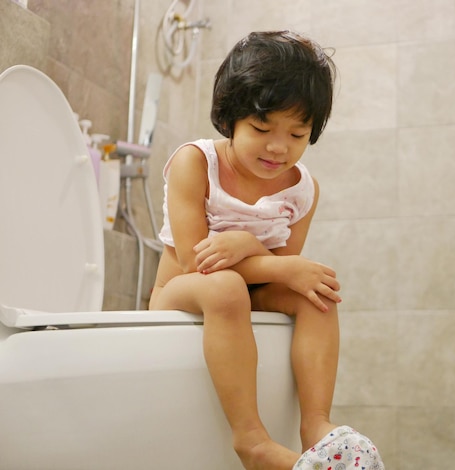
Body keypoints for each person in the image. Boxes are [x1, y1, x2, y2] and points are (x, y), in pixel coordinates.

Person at [149, 31, 384, 470]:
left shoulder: (302, 189)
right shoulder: (196, 163)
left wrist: (251, 247)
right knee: (223, 288)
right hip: (179, 294)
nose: (279, 147)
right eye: (262, 129)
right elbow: (192, 260)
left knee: (317, 293)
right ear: (230, 119)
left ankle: (316, 426)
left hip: (247, 292)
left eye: (297, 133)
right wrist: (256, 250)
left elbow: (285, 270)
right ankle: (251, 442)